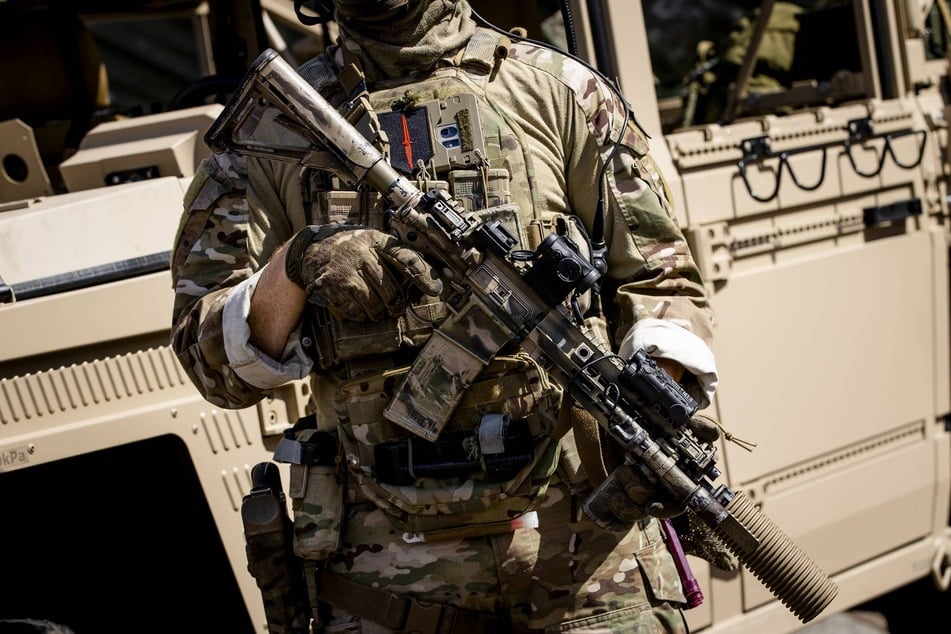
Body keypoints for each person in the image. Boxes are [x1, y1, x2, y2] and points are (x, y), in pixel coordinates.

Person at [170, 1, 724, 632]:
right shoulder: (276, 125)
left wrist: (658, 387)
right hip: (384, 588)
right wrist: (295, 267)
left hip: (588, 564)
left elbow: (662, 278)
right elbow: (207, 359)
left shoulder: (562, 94)